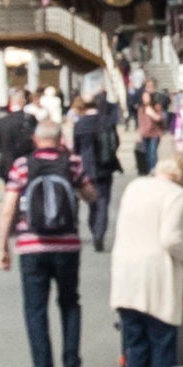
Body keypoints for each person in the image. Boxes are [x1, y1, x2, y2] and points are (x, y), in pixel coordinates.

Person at [108, 144, 183, 367]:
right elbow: (169, 238)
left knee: (134, 350)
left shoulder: (134, 187)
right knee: (163, 349)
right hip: (156, 277)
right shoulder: (174, 194)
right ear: (180, 177)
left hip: (125, 275)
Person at [0, 124, 95, 367]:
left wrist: (2, 247)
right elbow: (91, 195)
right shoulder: (72, 163)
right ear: (60, 140)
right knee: (70, 304)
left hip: (32, 248)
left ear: (35, 140)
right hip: (67, 247)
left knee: (35, 310)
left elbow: (7, 210)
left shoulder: (22, 166)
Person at [71, 88, 121, 251]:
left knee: (92, 201)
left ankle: (94, 230)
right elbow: (116, 143)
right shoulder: (106, 121)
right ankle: (100, 232)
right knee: (104, 201)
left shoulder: (80, 124)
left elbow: (76, 147)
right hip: (106, 165)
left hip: (87, 166)